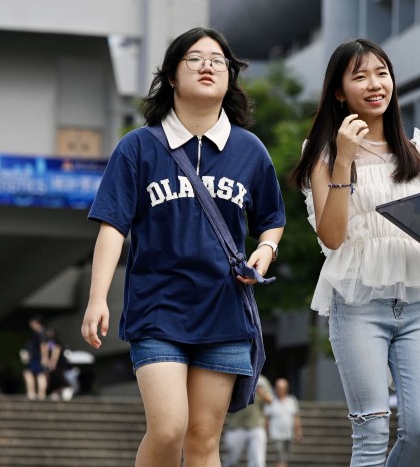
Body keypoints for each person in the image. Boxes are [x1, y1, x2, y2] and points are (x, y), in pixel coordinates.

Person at [81, 26, 286, 467]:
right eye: (195, 58)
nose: (208, 65)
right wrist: (98, 298)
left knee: (202, 440)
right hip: (158, 309)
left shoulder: (249, 150)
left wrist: (265, 251)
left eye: (218, 60)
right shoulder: (137, 148)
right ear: (172, 75)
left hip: (224, 310)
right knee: (169, 427)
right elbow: (113, 226)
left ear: (230, 76)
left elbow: (272, 220)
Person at [290, 38, 420, 467]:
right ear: (338, 91)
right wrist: (345, 159)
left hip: (419, 305)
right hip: (357, 304)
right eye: (360, 75)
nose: (374, 84)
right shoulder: (325, 155)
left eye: (381, 73)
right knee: (370, 433)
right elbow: (331, 237)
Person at [222, 375, 273, 467]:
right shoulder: (235, 375)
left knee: (258, 462)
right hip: (236, 425)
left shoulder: (262, 380)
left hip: (256, 425)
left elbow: (270, 400)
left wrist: (260, 392)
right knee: (231, 460)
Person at [264, 378, 302, 467]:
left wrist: (298, 432)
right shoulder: (271, 400)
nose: (280, 390)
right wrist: (265, 432)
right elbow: (266, 418)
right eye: (278, 388)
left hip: (289, 434)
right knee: (280, 456)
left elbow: (296, 417)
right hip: (276, 434)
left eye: (282, 388)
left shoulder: (292, 400)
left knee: (285, 457)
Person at [21, 316, 49, 401]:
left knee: (29, 373)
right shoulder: (44, 332)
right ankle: (41, 394)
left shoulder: (39, 333)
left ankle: (32, 393)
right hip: (38, 357)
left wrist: (44, 358)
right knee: (40, 375)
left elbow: (43, 346)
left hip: (37, 357)